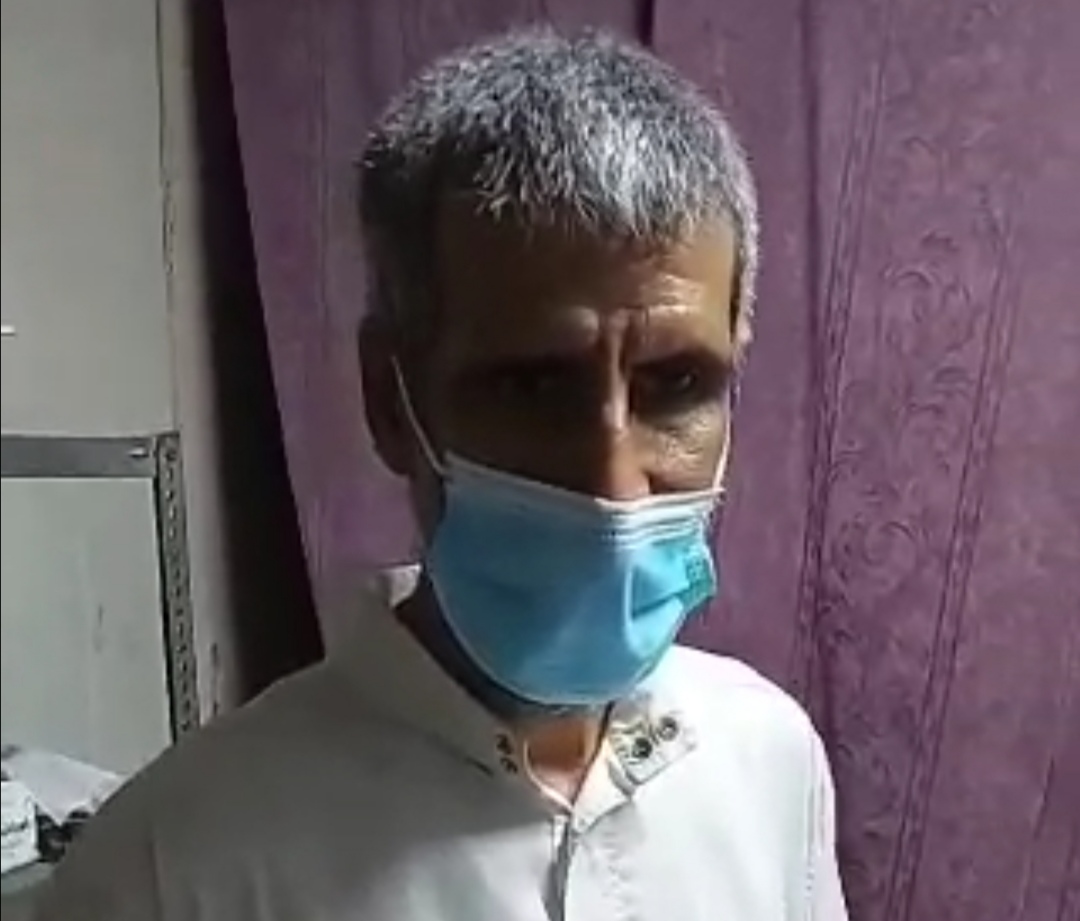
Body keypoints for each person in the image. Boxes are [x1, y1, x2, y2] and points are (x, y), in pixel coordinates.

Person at [36, 27, 848, 921]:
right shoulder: (167, 869)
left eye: (677, 384)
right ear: (391, 400)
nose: (616, 487)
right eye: (534, 387)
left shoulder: (770, 763)